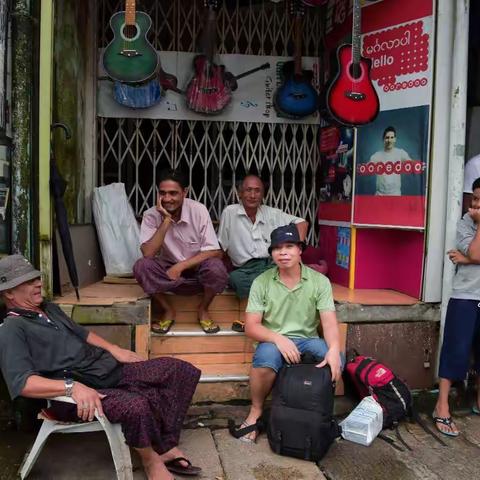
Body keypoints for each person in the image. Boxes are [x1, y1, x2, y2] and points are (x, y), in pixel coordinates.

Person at [0, 255, 201, 480]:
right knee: (135, 405)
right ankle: (151, 460)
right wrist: (71, 387)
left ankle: (165, 445)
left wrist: (115, 349)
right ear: (9, 292)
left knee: (180, 370)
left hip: (105, 369)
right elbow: (23, 383)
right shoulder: (12, 328)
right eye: (28, 282)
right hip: (76, 395)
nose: (38, 283)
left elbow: (81, 333)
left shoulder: (48, 308)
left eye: (36, 278)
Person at [234, 224, 343, 442]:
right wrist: (278, 338)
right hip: (273, 339)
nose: (283, 252)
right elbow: (251, 326)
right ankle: (256, 411)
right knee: (265, 358)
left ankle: (315, 413)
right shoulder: (262, 282)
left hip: (308, 339)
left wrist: (334, 349)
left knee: (334, 359)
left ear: (300, 249)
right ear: (272, 254)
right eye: (277, 248)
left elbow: (329, 323)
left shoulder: (319, 281)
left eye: (289, 246)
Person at [134, 169, 228, 334]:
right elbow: (148, 253)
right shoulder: (151, 215)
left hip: (198, 271)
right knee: (141, 266)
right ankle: (167, 310)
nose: (168, 199)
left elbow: (214, 251)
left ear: (185, 192)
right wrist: (166, 221)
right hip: (168, 274)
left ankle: (203, 309)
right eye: (163, 193)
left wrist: (181, 266)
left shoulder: (198, 210)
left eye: (173, 193)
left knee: (216, 267)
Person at [217, 174, 314, 331]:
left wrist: (297, 249)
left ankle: (264, 320)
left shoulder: (271, 213)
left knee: (280, 278)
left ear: (263, 194)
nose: (253, 195)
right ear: (239, 193)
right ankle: (266, 319)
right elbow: (222, 245)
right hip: (245, 269)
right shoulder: (230, 212)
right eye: (248, 190)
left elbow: (302, 222)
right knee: (237, 279)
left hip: (270, 264)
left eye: (257, 191)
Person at [434, 177, 480, 437]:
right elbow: (475, 253)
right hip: (465, 296)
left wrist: (467, 259)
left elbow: (471, 256)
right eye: (475, 198)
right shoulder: (466, 222)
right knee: (455, 351)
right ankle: (441, 406)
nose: (477, 204)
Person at [370, 126, 411, 196]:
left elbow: (412, 164)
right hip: (380, 195)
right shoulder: (377, 155)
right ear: (383, 139)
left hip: (395, 195)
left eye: (392, 137)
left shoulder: (401, 153)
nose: (389, 140)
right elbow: (368, 167)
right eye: (387, 138)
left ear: (395, 139)